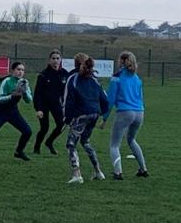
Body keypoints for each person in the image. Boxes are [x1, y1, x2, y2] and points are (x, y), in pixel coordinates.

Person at [101, 51, 148, 180]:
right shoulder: (137, 78)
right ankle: (143, 169)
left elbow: (110, 99)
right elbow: (141, 97)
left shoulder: (117, 77)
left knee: (114, 144)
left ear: (120, 61)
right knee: (131, 139)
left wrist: (104, 118)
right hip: (139, 112)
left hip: (124, 112)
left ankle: (118, 172)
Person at [63, 55, 109, 184]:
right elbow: (104, 99)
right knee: (85, 141)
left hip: (81, 115)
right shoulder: (95, 80)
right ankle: (98, 171)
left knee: (71, 144)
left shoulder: (73, 79)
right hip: (94, 113)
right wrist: (102, 112)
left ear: (75, 64)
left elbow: (68, 100)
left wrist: (67, 118)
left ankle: (77, 174)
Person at [33, 49, 68, 155]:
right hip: (43, 105)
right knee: (44, 128)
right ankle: (36, 148)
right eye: (53, 58)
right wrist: (38, 109)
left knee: (62, 124)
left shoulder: (64, 74)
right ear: (49, 60)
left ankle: (49, 142)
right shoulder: (43, 75)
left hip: (56, 104)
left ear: (60, 60)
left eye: (57, 58)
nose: (55, 61)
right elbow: (37, 94)